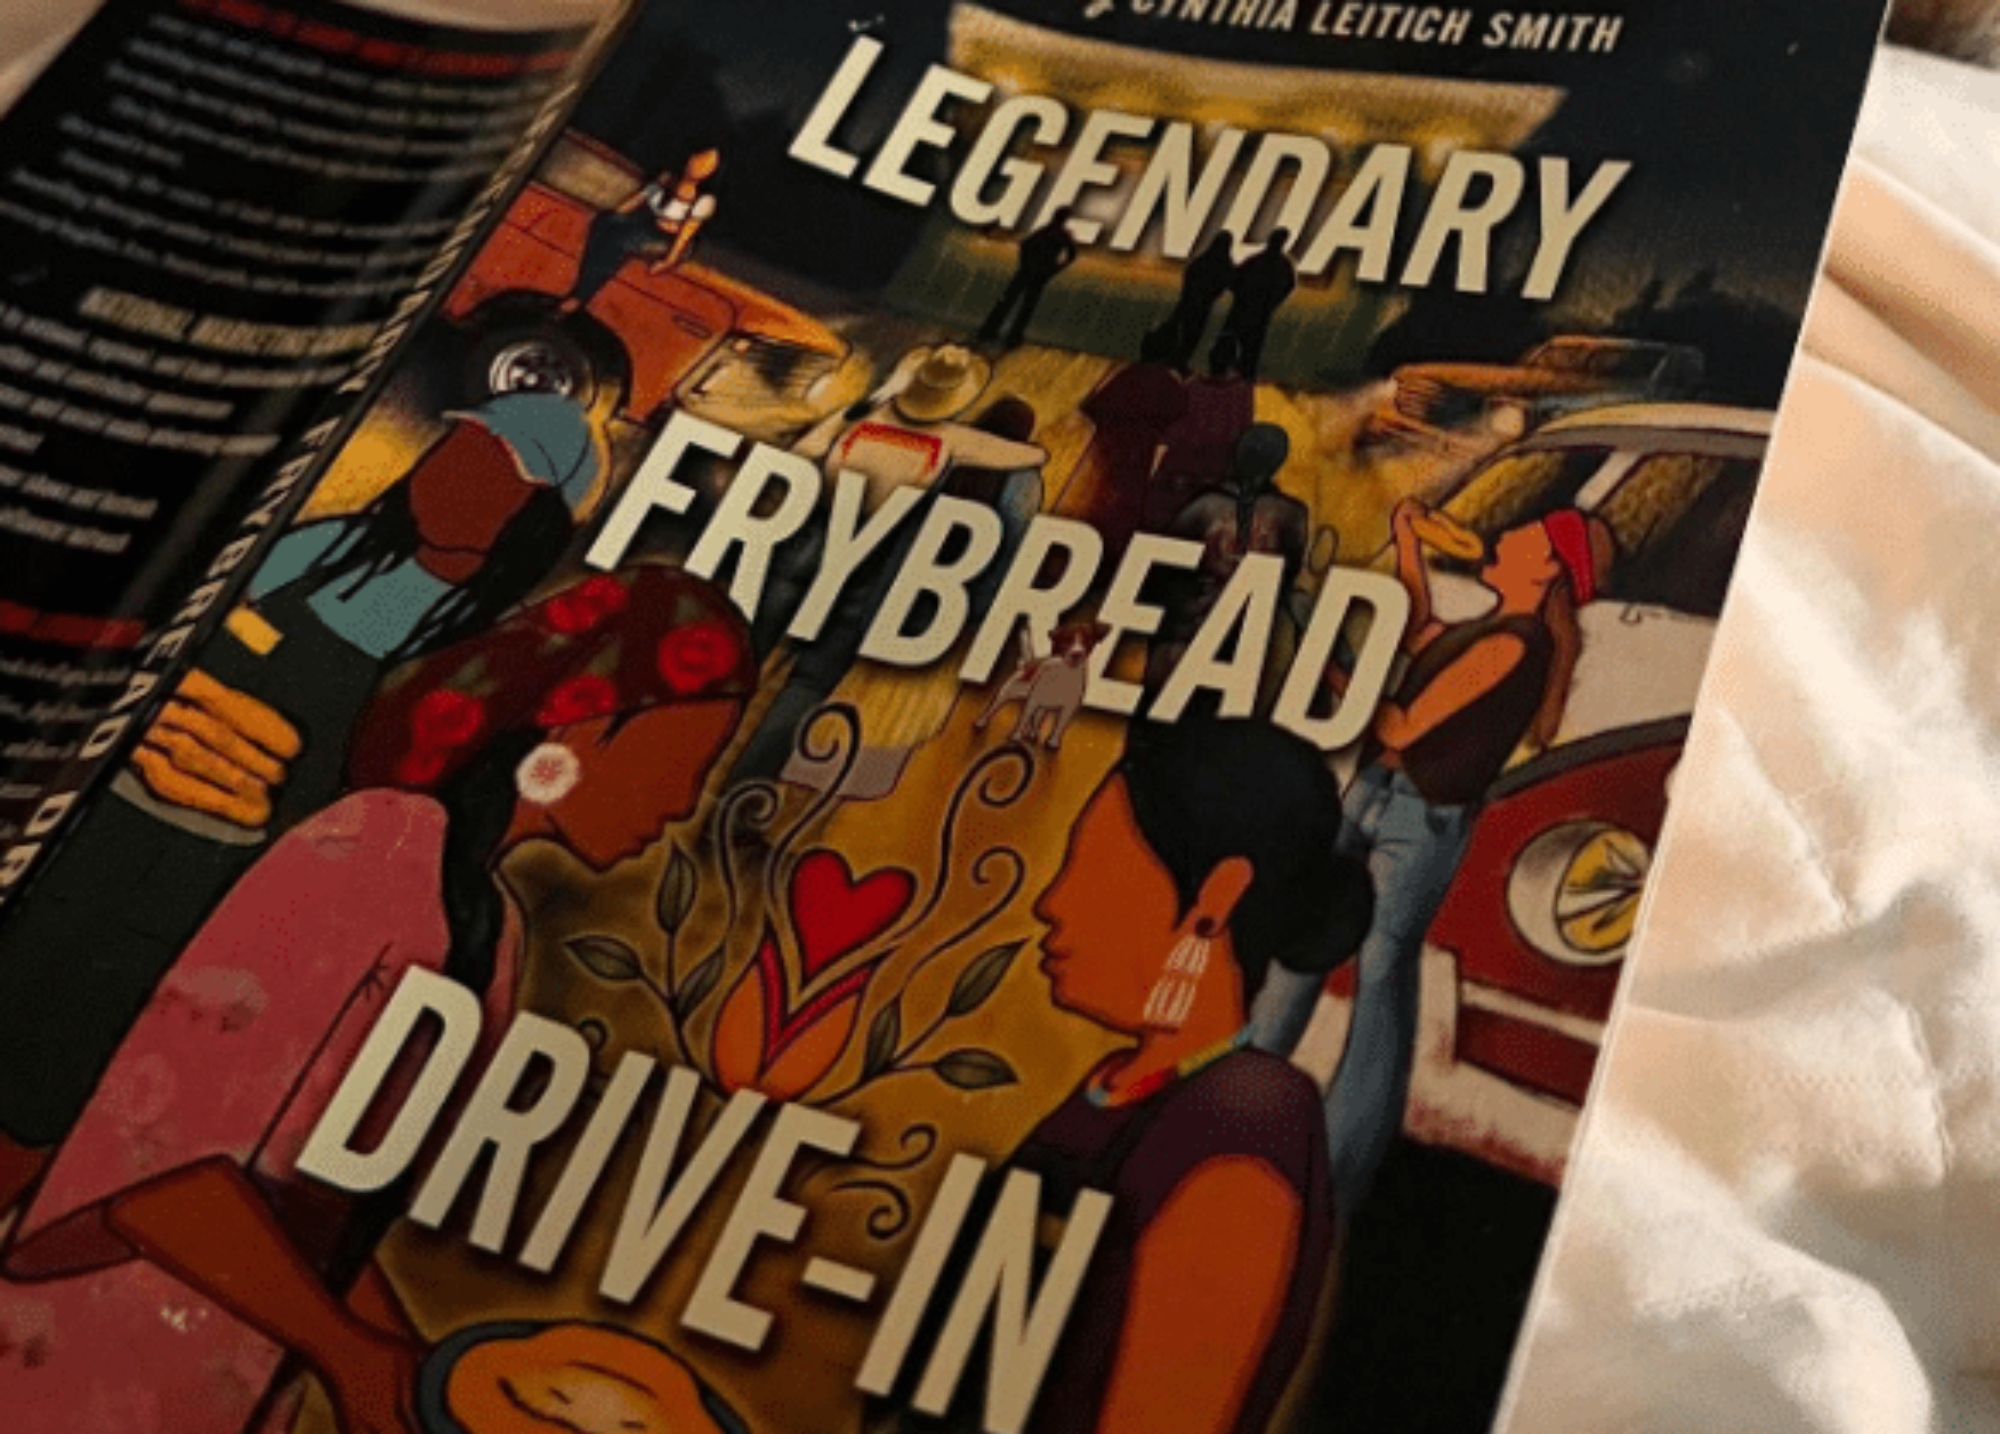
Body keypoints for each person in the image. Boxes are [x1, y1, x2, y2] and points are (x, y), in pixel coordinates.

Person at [0, 565, 758, 1434]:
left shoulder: (494, 933)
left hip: (222, 1377)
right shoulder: (373, 846)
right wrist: (352, 1353)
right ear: (579, 730)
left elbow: (321, 1214)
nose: (682, 803)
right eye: (682, 760)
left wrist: (417, 1368)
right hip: (73, 1358)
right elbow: (159, 1175)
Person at [0, 386, 611, 1220]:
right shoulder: (320, 549)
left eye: (492, 473)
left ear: (534, 521)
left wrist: (277, 801)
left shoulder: (468, 658)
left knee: (55, 1081)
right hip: (104, 825)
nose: (451, 478)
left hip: (211, 894)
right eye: (456, 451)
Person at [1249, 500, 1616, 1224]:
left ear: (1546, 568)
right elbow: (1418, 629)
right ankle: (1242, 1080)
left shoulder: (1514, 647)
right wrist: (1408, 542)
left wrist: (1338, 672)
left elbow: (1407, 724)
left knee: (1381, 979)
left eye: (1522, 536)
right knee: (1306, 939)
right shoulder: (1486, 628)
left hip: (1419, 820)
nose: (1502, 537)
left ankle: (1339, 1164)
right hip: (1376, 793)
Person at [1002, 717, 1371, 1434]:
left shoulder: (1244, 1121)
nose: (1053, 902)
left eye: (1094, 868)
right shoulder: (1119, 1085)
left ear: (1216, 898)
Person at [728, 346, 1044, 788]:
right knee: (809, 683)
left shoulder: (861, 419)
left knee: (743, 653)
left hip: (811, 541)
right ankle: (744, 787)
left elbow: (801, 453)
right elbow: (1029, 462)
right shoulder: (957, 443)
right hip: (876, 568)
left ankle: (684, 748)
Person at [560, 149, 720, 314]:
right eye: (701, 160)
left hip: (668, 239)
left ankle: (580, 296)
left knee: (620, 240)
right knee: (604, 223)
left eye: (709, 165)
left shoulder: (705, 199)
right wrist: (616, 214)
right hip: (649, 225)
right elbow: (640, 197)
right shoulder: (668, 179)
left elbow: (687, 232)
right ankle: (581, 287)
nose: (702, 167)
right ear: (691, 157)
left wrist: (670, 259)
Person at [976, 207, 1080, 349]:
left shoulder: (1047, 231)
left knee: (1009, 301)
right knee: (1025, 307)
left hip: (1029, 270)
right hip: (1039, 273)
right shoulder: (1060, 234)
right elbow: (1071, 255)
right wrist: (1054, 269)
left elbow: (1025, 245)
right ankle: (1010, 336)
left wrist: (1027, 263)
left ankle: (991, 331)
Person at [1213, 229, 1297, 382]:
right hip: (1253, 309)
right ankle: (1232, 372)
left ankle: (1228, 371)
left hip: (1248, 308)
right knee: (1246, 343)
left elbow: (1235, 278)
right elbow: (1288, 287)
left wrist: (1242, 294)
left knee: (1242, 342)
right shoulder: (1280, 264)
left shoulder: (1259, 261)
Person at [1149, 230, 1239, 371]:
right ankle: (1179, 360)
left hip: (1187, 303)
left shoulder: (1203, 260)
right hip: (1202, 307)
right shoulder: (1224, 263)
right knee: (1192, 336)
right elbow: (1232, 282)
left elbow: (1189, 275)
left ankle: (1166, 358)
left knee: (1176, 330)